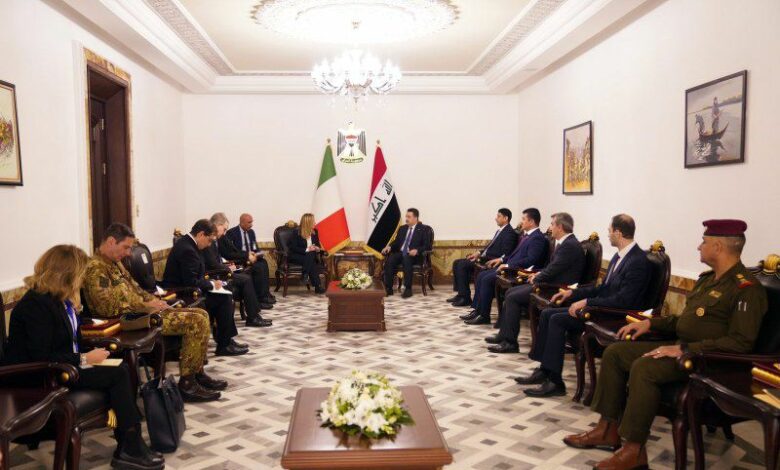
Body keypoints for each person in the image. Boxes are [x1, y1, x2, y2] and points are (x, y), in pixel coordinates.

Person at [564, 219, 767, 470]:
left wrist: (686, 349)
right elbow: (686, 321)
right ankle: (607, 429)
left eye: (704, 242)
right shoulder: (707, 280)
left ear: (718, 246)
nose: (699, 247)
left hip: (705, 361)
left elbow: (740, 342)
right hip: (681, 346)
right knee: (615, 352)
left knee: (645, 367)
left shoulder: (746, 288)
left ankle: (634, 450)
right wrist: (650, 324)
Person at [2, 245, 164, 470]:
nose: (82, 280)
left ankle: (130, 443)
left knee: (123, 367)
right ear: (67, 274)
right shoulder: (35, 305)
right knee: (118, 374)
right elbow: (42, 356)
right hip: (40, 377)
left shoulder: (58, 299)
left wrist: (87, 354)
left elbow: (68, 340)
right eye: (80, 274)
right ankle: (130, 446)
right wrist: (85, 359)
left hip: (63, 366)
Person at [83, 223, 225, 402]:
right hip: (126, 322)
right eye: (126, 247)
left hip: (141, 314)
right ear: (111, 241)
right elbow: (107, 308)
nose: (129, 253)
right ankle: (187, 384)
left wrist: (155, 302)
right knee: (196, 321)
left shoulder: (115, 263)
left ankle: (197, 374)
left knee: (201, 314)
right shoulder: (96, 268)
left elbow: (136, 289)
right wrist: (146, 306)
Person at [516, 214, 650, 398]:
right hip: (601, 308)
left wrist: (587, 302)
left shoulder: (638, 261)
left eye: (610, 230)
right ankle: (545, 370)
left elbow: (624, 301)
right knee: (547, 314)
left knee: (556, 319)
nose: (608, 234)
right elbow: (603, 288)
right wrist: (573, 294)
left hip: (613, 315)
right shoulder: (619, 256)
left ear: (618, 233)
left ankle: (555, 382)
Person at [486, 212, 585, 353]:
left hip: (557, 288)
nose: (550, 227)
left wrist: (538, 277)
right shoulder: (566, 243)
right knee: (510, 292)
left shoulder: (569, 245)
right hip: (551, 283)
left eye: (552, 224)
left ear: (560, 227)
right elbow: (553, 267)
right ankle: (504, 336)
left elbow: (553, 270)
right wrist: (538, 274)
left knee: (513, 297)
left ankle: (510, 343)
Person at [162, 219, 247, 356]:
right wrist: (212, 284)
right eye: (209, 240)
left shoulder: (190, 244)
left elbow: (196, 277)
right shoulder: (187, 249)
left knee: (225, 295)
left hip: (189, 289)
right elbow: (191, 282)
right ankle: (224, 345)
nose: (209, 244)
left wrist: (211, 282)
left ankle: (226, 341)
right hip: (182, 294)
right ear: (201, 234)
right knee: (224, 298)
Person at [461, 208, 547, 325]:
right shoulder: (526, 236)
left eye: (523, 219)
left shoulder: (537, 237)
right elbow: (513, 254)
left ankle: (484, 316)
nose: (521, 222)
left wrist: (508, 265)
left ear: (531, 221)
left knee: (486, 279)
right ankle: (478, 311)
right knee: (482, 275)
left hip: (518, 271)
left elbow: (531, 260)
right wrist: (502, 260)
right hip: (509, 267)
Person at [206, 213, 272, 327]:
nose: (225, 233)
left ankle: (257, 310)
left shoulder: (217, 238)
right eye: (224, 229)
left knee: (253, 271)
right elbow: (213, 263)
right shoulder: (209, 241)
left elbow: (218, 260)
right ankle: (253, 317)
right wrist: (227, 267)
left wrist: (228, 265)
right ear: (217, 225)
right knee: (246, 279)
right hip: (216, 276)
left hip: (222, 270)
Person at [447, 208, 518, 307]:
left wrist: (483, 257)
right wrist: (479, 253)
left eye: (498, 216)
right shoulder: (500, 231)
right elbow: (489, 247)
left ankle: (465, 298)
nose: (496, 218)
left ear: (506, 218)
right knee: (456, 262)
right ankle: (461, 294)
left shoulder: (509, 233)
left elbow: (505, 253)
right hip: (485, 257)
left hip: (491, 260)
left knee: (462, 265)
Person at [224, 213, 275, 304]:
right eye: (249, 222)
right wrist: (247, 255)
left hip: (252, 258)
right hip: (240, 260)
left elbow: (255, 247)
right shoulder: (231, 233)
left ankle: (265, 294)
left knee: (263, 262)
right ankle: (260, 298)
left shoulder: (251, 232)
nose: (251, 225)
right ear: (242, 222)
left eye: (252, 222)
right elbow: (231, 253)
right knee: (259, 267)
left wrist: (258, 253)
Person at [381, 208, 432, 298]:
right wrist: (390, 247)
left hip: (414, 256)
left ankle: (408, 289)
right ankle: (389, 288)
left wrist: (417, 250)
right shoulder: (402, 228)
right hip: (401, 253)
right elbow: (397, 242)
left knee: (406, 259)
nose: (406, 219)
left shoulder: (423, 229)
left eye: (409, 217)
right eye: (406, 217)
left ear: (415, 218)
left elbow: (427, 246)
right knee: (391, 259)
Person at [288, 213, 326, 294]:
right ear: (308, 222)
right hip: (297, 256)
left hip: (309, 257)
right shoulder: (296, 232)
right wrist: (307, 249)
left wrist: (317, 248)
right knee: (311, 257)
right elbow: (293, 247)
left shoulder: (315, 231)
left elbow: (318, 245)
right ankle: (317, 287)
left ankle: (305, 275)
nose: (315, 223)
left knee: (311, 255)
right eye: (313, 221)